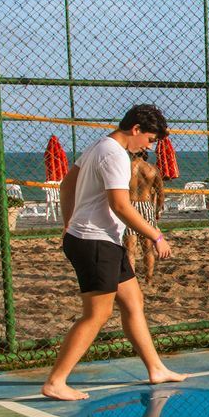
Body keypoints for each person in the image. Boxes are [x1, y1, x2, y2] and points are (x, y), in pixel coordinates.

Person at [40, 104, 186, 401]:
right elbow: (121, 205)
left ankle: (155, 368)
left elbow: (67, 184)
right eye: (149, 139)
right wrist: (156, 235)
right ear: (136, 129)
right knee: (98, 314)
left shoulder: (99, 145)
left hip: (101, 238)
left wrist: (70, 222)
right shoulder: (116, 155)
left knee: (133, 301)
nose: (149, 146)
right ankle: (56, 381)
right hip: (95, 242)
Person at [126, 148, 165, 287]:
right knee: (148, 247)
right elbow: (160, 193)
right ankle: (149, 279)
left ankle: (131, 280)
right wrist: (158, 210)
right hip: (146, 204)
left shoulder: (126, 167)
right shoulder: (151, 169)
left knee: (130, 248)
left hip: (129, 205)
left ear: (131, 153)